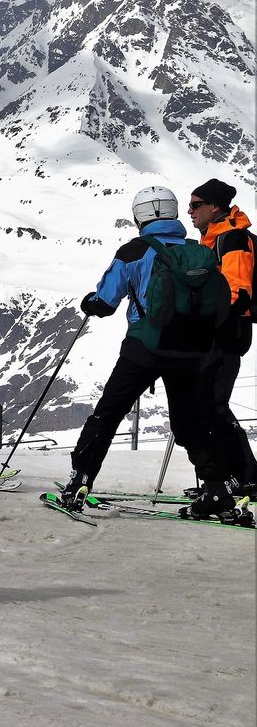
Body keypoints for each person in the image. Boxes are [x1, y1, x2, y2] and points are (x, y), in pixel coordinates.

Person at [65, 186, 237, 519]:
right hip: (190, 351)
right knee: (189, 422)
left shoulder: (135, 250)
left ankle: (79, 484)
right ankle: (217, 492)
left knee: (108, 414)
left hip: (144, 348)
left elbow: (106, 302)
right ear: (172, 213)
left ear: (140, 216)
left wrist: (91, 302)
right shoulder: (196, 250)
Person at [188, 178, 256, 496]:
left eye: (195, 204)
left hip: (228, 332)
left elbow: (236, 291)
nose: (190, 211)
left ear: (215, 206)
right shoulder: (214, 239)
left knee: (212, 405)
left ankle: (244, 477)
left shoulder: (231, 239)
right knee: (208, 405)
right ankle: (236, 475)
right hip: (219, 332)